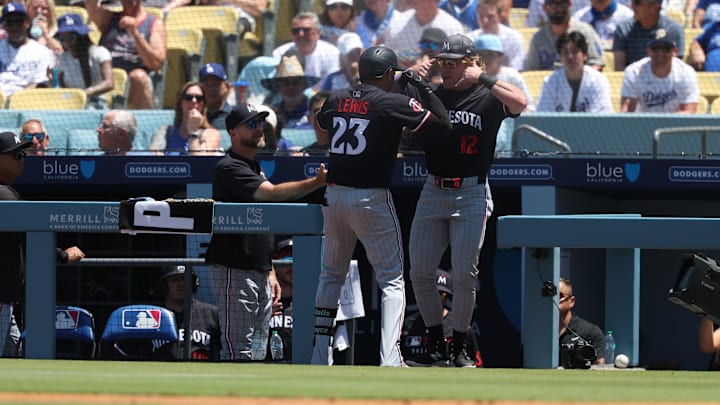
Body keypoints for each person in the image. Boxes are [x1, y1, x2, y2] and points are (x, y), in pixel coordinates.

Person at [310, 45, 451, 367]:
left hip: (333, 195)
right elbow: (442, 123)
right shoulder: (390, 100)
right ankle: (390, 358)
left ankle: (319, 356)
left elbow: (322, 125)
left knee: (331, 275)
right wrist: (419, 85)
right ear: (388, 73)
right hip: (370, 197)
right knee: (390, 279)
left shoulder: (334, 96)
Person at [405, 34, 526, 367]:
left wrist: (482, 77)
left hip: (471, 190)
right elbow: (388, 94)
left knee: (463, 273)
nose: (446, 69)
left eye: (453, 63)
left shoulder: (486, 94)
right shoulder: (432, 93)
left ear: (470, 62)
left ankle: (458, 343)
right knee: (420, 272)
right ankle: (435, 339)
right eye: (443, 63)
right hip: (433, 188)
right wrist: (414, 71)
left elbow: (520, 103)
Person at [204, 102, 327, 362]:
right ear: (233, 132)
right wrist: (316, 183)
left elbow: (263, 226)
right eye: (251, 124)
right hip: (233, 266)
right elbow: (269, 194)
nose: (259, 128)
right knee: (239, 350)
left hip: (257, 268)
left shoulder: (253, 166)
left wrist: (270, 271)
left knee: (260, 349)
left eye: (260, 122)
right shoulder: (229, 166)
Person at [0, 131, 84, 357]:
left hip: (7, 300)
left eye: (23, 154)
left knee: (13, 359)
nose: (23, 159)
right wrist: (63, 256)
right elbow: (30, 235)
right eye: (16, 155)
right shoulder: (3, 195)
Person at [86, 0, 167, 109]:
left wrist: (135, 33)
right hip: (106, 77)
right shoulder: (108, 18)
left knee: (138, 76)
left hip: (134, 82)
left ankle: (144, 123)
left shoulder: (154, 23)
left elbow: (156, 63)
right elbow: (90, 3)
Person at [402, 269, 483, 368]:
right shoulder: (409, 324)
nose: (437, 299)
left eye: (442, 295)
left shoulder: (459, 324)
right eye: (433, 294)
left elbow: (476, 365)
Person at [473, 34, 535, 157]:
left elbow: (529, 106)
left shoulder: (512, 76)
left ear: (500, 56)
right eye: (481, 54)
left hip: (509, 126)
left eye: (490, 54)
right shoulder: (470, 76)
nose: (485, 58)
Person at [152, 265, 221, 361]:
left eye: (185, 279)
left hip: (201, 371)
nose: (181, 284)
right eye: (175, 279)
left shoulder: (211, 313)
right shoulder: (153, 315)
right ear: (164, 285)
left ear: (193, 284)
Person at [620, 30, 700, 112]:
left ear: (674, 52)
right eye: (655, 49)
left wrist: (665, 123)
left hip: (677, 124)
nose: (660, 53)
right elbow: (626, 110)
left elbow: (689, 112)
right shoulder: (634, 72)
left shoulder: (686, 73)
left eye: (666, 49)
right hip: (643, 123)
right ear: (648, 51)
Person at [537, 31, 613, 112]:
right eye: (565, 52)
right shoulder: (550, 82)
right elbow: (542, 114)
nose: (570, 57)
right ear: (560, 57)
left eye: (575, 51)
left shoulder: (598, 81)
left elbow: (602, 117)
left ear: (584, 55)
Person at [523, 0, 606, 71]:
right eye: (553, 4)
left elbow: (597, 64)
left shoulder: (585, 31)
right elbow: (531, 72)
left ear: (570, 4)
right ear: (545, 8)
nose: (559, 8)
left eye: (563, 3)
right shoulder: (538, 39)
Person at [55, 13, 114, 110]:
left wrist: (84, 93)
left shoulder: (99, 52)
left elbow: (109, 83)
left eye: (71, 38)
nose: (68, 43)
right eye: (63, 39)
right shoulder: (62, 58)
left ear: (82, 36)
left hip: (96, 103)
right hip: (70, 104)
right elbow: (62, 86)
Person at [382, 0, 466, 68]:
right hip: (404, 82)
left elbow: (459, 64)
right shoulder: (396, 23)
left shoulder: (452, 27)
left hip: (439, 82)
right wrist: (406, 64)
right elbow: (387, 58)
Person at [271, 12, 340, 91]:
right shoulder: (280, 53)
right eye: (296, 31)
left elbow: (334, 84)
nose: (301, 34)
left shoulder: (331, 53)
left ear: (317, 33)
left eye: (306, 30)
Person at [149, 81, 222, 155]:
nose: (194, 101)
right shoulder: (166, 131)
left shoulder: (211, 134)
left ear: (203, 104)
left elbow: (201, 163)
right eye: (189, 97)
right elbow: (154, 154)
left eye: (199, 98)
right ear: (180, 102)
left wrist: (193, 132)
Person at [0, 2, 55, 97]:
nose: (15, 27)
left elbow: (39, 83)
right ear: (4, 26)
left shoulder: (41, 51)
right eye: (10, 23)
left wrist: (16, 99)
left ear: (27, 23)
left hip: (27, 102)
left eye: (19, 22)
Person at [612, 0, 684, 71]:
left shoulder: (673, 30)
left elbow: (676, 68)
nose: (632, 6)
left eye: (637, 3)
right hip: (633, 80)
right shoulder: (624, 29)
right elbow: (619, 69)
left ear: (655, 7)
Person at [260, 54, 320, 129]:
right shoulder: (271, 113)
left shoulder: (315, 112)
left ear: (304, 85)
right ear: (279, 86)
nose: (291, 87)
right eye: (286, 83)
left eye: (295, 82)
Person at [558, 277, 606, 366]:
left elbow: (599, 367)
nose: (554, 300)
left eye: (559, 296)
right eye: (550, 296)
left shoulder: (590, 332)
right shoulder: (536, 333)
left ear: (571, 301)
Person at [468, 0, 526, 71]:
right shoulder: (469, 39)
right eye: (480, 16)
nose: (485, 21)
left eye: (490, 16)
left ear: (499, 16)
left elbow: (517, 68)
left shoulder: (515, 37)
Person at [199, 63, 232, 131]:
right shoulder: (195, 113)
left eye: (216, 84)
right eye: (206, 84)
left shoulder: (235, 116)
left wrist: (205, 125)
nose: (211, 89)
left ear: (227, 86)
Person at [300, 91, 330, 156]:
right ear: (309, 118)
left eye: (326, 110)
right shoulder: (303, 155)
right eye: (316, 110)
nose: (320, 115)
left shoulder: (347, 151)